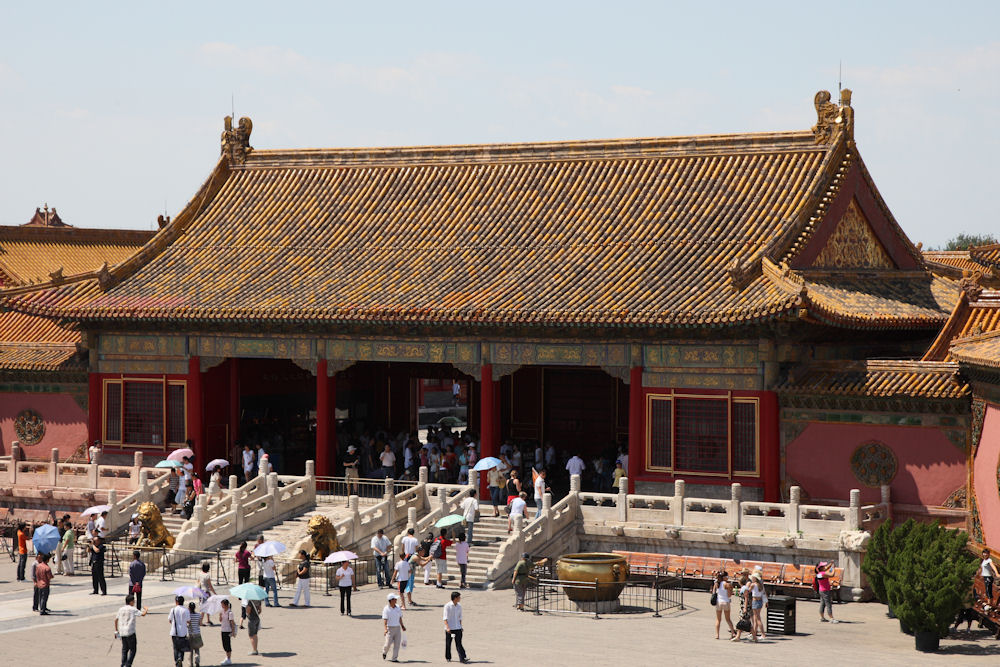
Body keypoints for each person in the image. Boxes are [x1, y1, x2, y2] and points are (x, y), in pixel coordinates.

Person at [115, 593, 148, 667]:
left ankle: (123, 663)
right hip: (130, 631)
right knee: (133, 649)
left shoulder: (121, 609)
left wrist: (116, 631)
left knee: (125, 649)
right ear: (131, 602)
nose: (134, 602)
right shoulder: (133, 609)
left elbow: (116, 620)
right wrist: (146, 609)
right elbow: (143, 614)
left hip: (122, 632)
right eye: (134, 601)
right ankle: (128, 664)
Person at [443, 590, 468, 664]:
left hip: (457, 628)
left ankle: (462, 658)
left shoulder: (459, 606)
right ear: (455, 598)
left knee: (459, 643)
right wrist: (447, 627)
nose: (460, 598)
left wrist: (460, 626)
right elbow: (445, 618)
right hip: (450, 630)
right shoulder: (447, 606)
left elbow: (460, 618)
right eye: (459, 597)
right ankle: (448, 657)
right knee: (448, 643)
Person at [382, 592, 407, 661]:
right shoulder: (386, 609)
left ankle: (394, 658)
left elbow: (400, 617)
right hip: (390, 628)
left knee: (397, 644)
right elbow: (385, 620)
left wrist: (402, 626)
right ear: (391, 600)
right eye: (395, 599)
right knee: (388, 644)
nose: (396, 600)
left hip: (397, 628)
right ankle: (384, 652)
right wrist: (385, 629)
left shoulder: (398, 607)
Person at [168, 595, 191, 667]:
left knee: (175, 647)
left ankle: (176, 660)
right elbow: (188, 621)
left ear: (176, 602)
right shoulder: (186, 610)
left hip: (174, 632)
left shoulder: (173, 610)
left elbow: (170, 620)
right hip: (183, 631)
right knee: (182, 647)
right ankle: (180, 657)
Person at [712, 571, 735, 639]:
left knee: (718, 620)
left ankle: (717, 635)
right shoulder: (727, 584)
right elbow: (729, 595)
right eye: (727, 576)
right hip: (726, 602)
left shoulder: (716, 584)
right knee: (728, 619)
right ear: (724, 577)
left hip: (719, 602)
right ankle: (733, 633)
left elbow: (713, 592)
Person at [218, 598, 235, 666]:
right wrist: (220, 616)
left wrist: (233, 632)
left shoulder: (230, 613)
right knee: (224, 644)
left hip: (228, 630)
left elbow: (232, 622)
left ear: (226, 605)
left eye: (222, 605)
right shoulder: (222, 611)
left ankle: (229, 659)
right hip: (223, 629)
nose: (222, 606)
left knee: (227, 645)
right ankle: (227, 657)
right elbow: (220, 620)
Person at [187, 602, 203, 666]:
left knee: (190, 650)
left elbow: (187, 623)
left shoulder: (188, 615)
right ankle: (197, 659)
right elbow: (200, 624)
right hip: (197, 633)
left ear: (189, 608)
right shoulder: (198, 615)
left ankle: (190, 663)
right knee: (197, 648)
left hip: (190, 634)